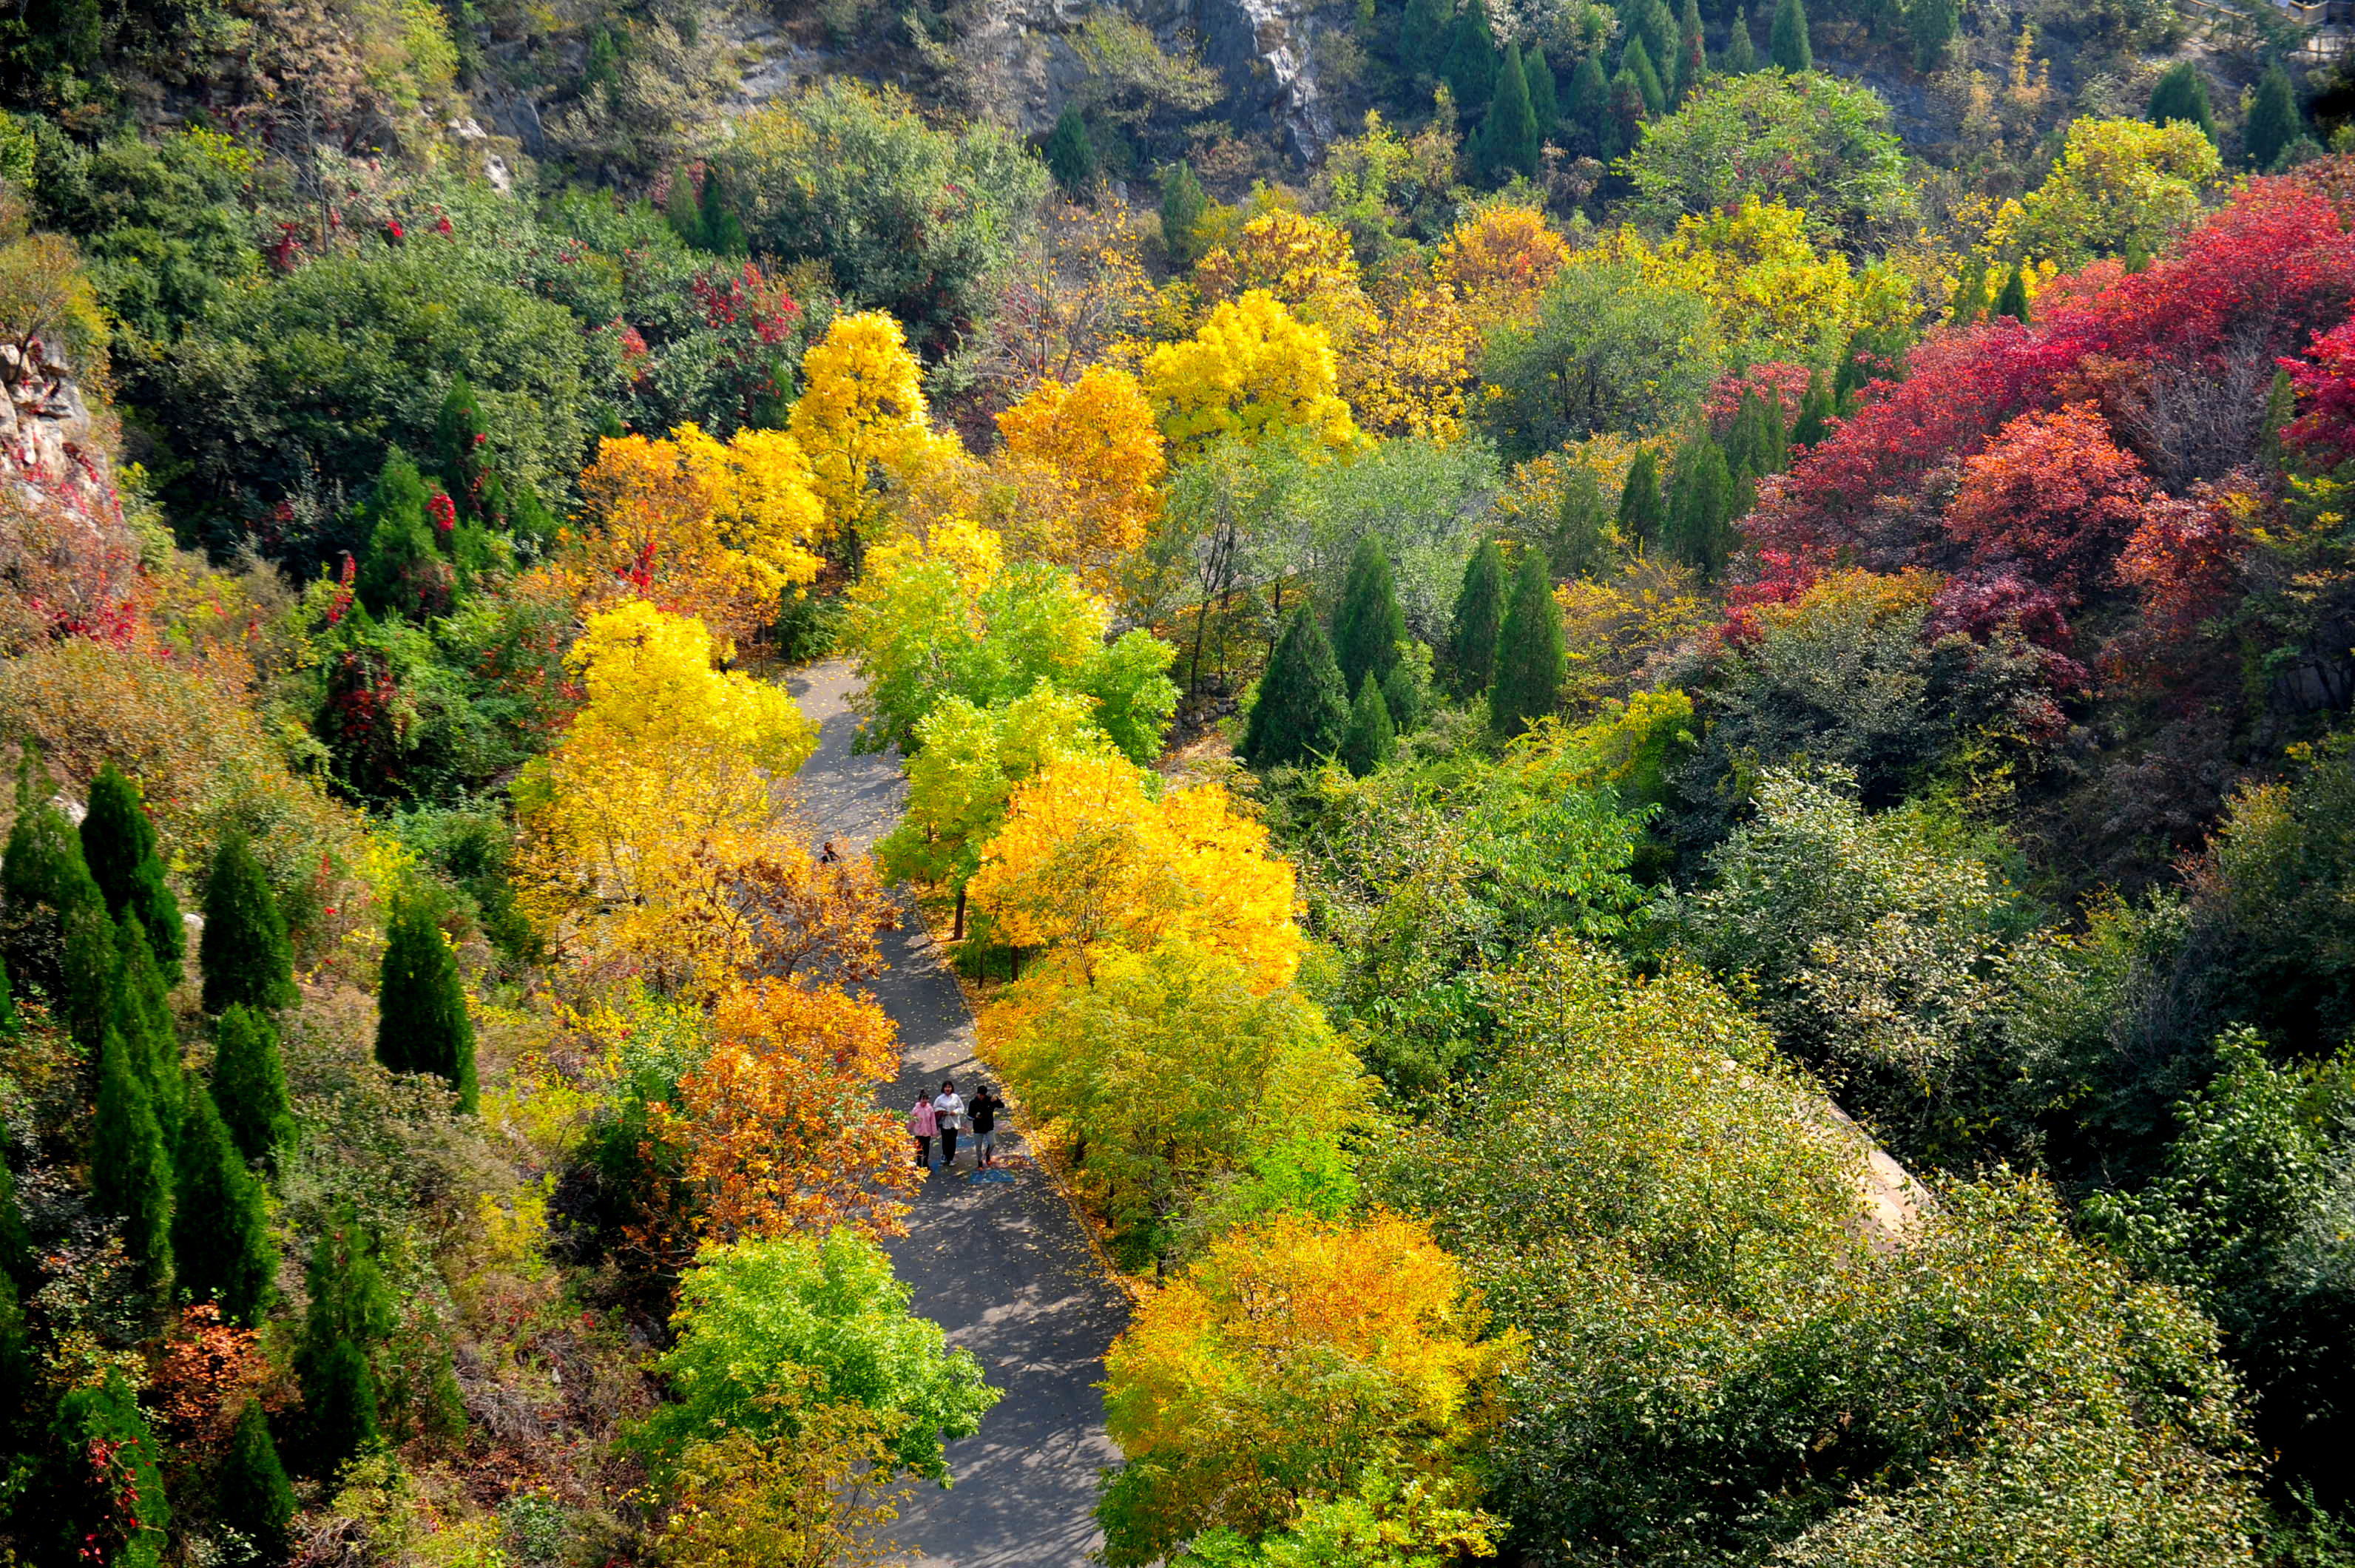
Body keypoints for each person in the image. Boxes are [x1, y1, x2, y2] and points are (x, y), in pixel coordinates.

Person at [933, 1079, 966, 1169]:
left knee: (953, 1140)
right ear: (943, 1088)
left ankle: (951, 1158)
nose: (948, 1089)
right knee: (945, 1140)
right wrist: (942, 1112)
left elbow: (961, 1108)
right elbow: (934, 1109)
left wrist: (955, 1112)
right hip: (945, 1122)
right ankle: (944, 1155)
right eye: (946, 1087)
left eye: (949, 1087)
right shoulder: (939, 1099)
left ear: (952, 1088)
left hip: (954, 1122)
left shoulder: (956, 1097)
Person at [968, 1084, 1003, 1169]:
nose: (982, 1097)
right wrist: (975, 1116)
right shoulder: (973, 1102)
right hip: (978, 1128)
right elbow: (969, 1115)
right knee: (978, 1147)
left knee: (993, 1143)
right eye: (980, 1095)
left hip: (988, 1126)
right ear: (977, 1094)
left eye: (983, 1095)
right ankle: (980, 1162)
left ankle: (988, 1154)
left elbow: (1002, 1106)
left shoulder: (990, 1100)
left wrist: (997, 1100)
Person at [908, 1093, 936, 1172]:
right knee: (919, 1149)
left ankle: (925, 1163)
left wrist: (934, 1131)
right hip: (919, 1133)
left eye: (926, 1100)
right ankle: (919, 1164)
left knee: (926, 1149)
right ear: (920, 1100)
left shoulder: (930, 1109)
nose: (924, 1102)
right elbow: (912, 1120)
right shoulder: (916, 1109)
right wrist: (909, 1128)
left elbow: (933, 1121)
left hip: (927, 1132)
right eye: (923, 1100)